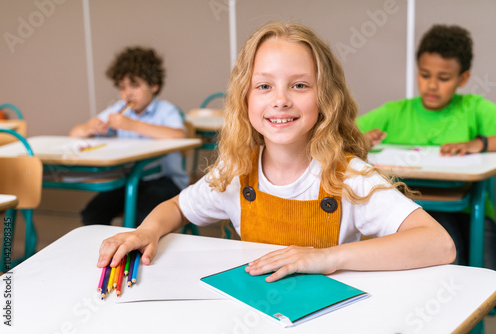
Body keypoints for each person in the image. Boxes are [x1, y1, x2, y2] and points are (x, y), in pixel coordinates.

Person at [98, 22, 455, 282]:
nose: (280, 99)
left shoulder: (348, 176)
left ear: (325, 99)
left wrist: (326, 258)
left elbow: (439, 244)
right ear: (245, 99)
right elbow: (177, 206)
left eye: (299, 85)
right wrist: (147, 230)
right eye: (264, 85)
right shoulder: (236, 171)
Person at [357, 24, 496, 270]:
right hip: (415, 205)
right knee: (449, 259)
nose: (432, 85)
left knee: (486, 271)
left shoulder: (474, 108)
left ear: (462, 78)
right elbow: (339, 135)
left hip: (470, 206)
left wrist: (480, 143)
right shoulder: (395, 112)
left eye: (443, 78)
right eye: (424, 74)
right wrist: (359, 139)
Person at [70, 46, 188, 226]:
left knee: (142, 217)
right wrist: (90, 126)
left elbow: (180, 137)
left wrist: (132, 125)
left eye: (135, 85)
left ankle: (137, 252)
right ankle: (107, 253)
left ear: (154, 85)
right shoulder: (118, 109)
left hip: (165, 181)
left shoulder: (166, 110)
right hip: (130, 179)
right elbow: (75, 134)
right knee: (92, 214)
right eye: (122, 87)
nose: (128, 93)